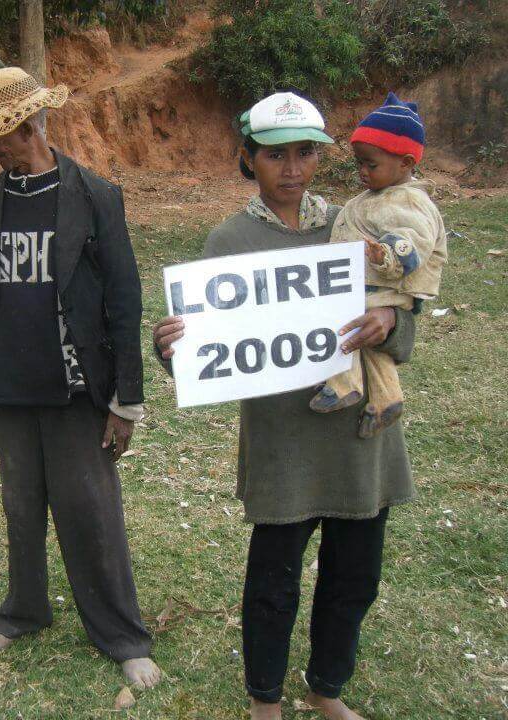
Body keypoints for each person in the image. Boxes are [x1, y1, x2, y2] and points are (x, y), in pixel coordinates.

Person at [153, 92, 417, 720]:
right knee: (273, 583)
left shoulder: (356, 223)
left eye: (305, 153)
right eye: (276, 155)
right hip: (283, 440)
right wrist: (173, 348)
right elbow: (209, 342)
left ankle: (327, 689)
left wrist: (389, 319)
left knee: (354, 578)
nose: (292, 168)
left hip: (360, 434)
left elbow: (404, 307)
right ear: (249, 158)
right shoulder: (230, 240)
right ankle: (264, 700)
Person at [0, 67, 161, 689]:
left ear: (28, 128)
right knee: (22, 508)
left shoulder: (94, 196)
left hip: (76, 388)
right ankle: (25, 610)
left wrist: (127, 402)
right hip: (10, 385)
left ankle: (122, 635)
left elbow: (124, 302)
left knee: (89, 512)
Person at [310, 92, 447, 437]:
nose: (362, 172)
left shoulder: (409, 201)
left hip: (385, 285)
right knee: (372, 347)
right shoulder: (380, 196)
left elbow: (414, 239)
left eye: (371, 165)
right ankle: (387, 399)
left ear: (405, 163)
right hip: (379, 284)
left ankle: (343, 384)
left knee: (346, 323)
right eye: (359, 163)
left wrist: (385, 256)